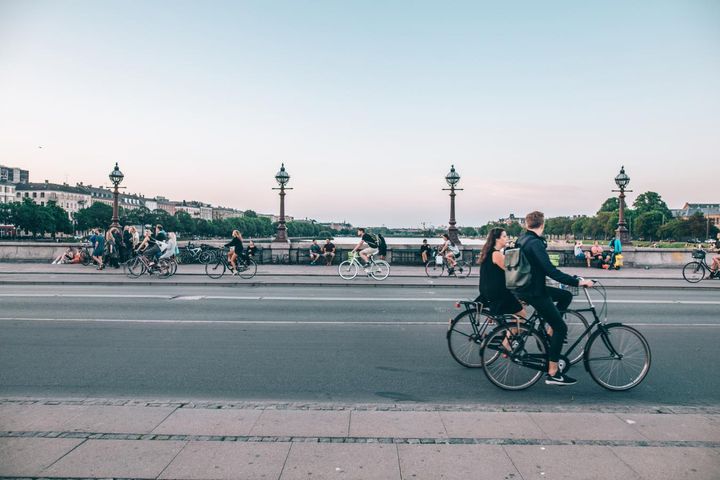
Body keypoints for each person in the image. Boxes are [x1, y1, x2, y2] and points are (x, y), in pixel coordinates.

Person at [515, 211, 593, 386]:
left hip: (525, 287)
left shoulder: (521, 240)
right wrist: (577, 282)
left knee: (565, 295)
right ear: (542, 225)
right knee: (561, 327)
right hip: (534, 291)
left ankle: (549, 332)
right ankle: (553, 372)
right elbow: (550, 270)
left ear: (526, 225)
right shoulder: (535, 243)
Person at [478, 228, 526, 318]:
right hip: (497, 292)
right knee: (522, 314)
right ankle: (506, 332)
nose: (507, 238)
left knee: (512, 312)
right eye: (504, 236)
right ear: (497, 239)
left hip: (489, 289)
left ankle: (502, 329)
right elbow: (512, 270)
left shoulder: (489, 252)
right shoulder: (496, 254)